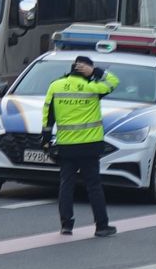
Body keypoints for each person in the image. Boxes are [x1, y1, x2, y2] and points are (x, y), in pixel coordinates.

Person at [45, 53, 119, 238]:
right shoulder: (93, 87)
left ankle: (66, 226)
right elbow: (114, 82)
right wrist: (96, 71)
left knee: (66, 184)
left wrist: (45, 138)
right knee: (93, 185)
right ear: (87, 70)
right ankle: (102, 226)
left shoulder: (56, 86)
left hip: (67, 145)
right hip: (90, 145)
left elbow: (48, 114)